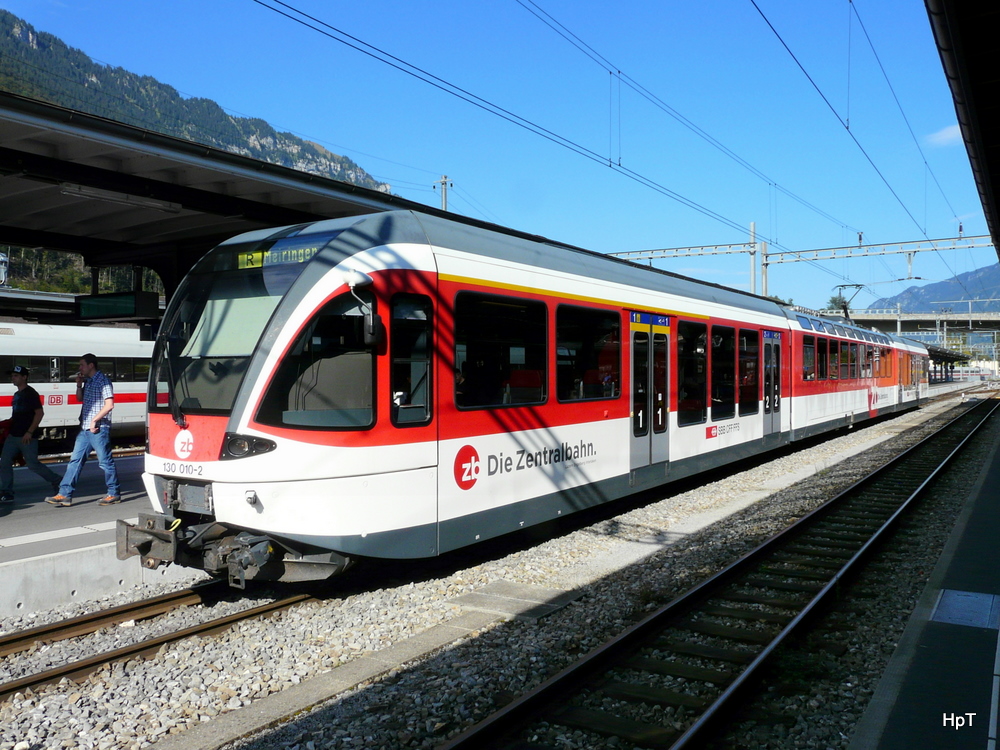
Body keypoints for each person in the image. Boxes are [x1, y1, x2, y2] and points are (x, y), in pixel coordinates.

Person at [44, 354, 121, 507]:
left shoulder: (103, 381)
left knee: (105, 462)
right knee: (75, 461)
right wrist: (79, 385)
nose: (80, 368)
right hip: (85, 428)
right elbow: (80, 399)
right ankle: (64, 494)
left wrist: (94, 420)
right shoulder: (89, 381)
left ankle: (114, 493)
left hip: (98, 428)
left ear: (91, 365)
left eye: (82, 365)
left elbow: (109, 404)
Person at [1, 365, 62, 503]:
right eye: (12, 376)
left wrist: (29, 432)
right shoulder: (17, 395)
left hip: (27, 437)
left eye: (16, 376)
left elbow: (39, 413)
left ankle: (58, 481)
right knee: (4, 462)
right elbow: (17, 415)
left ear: (24, 377)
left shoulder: (31, 394)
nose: (13, 378)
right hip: (13, 435)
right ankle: (6, 491)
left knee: (33, 464)